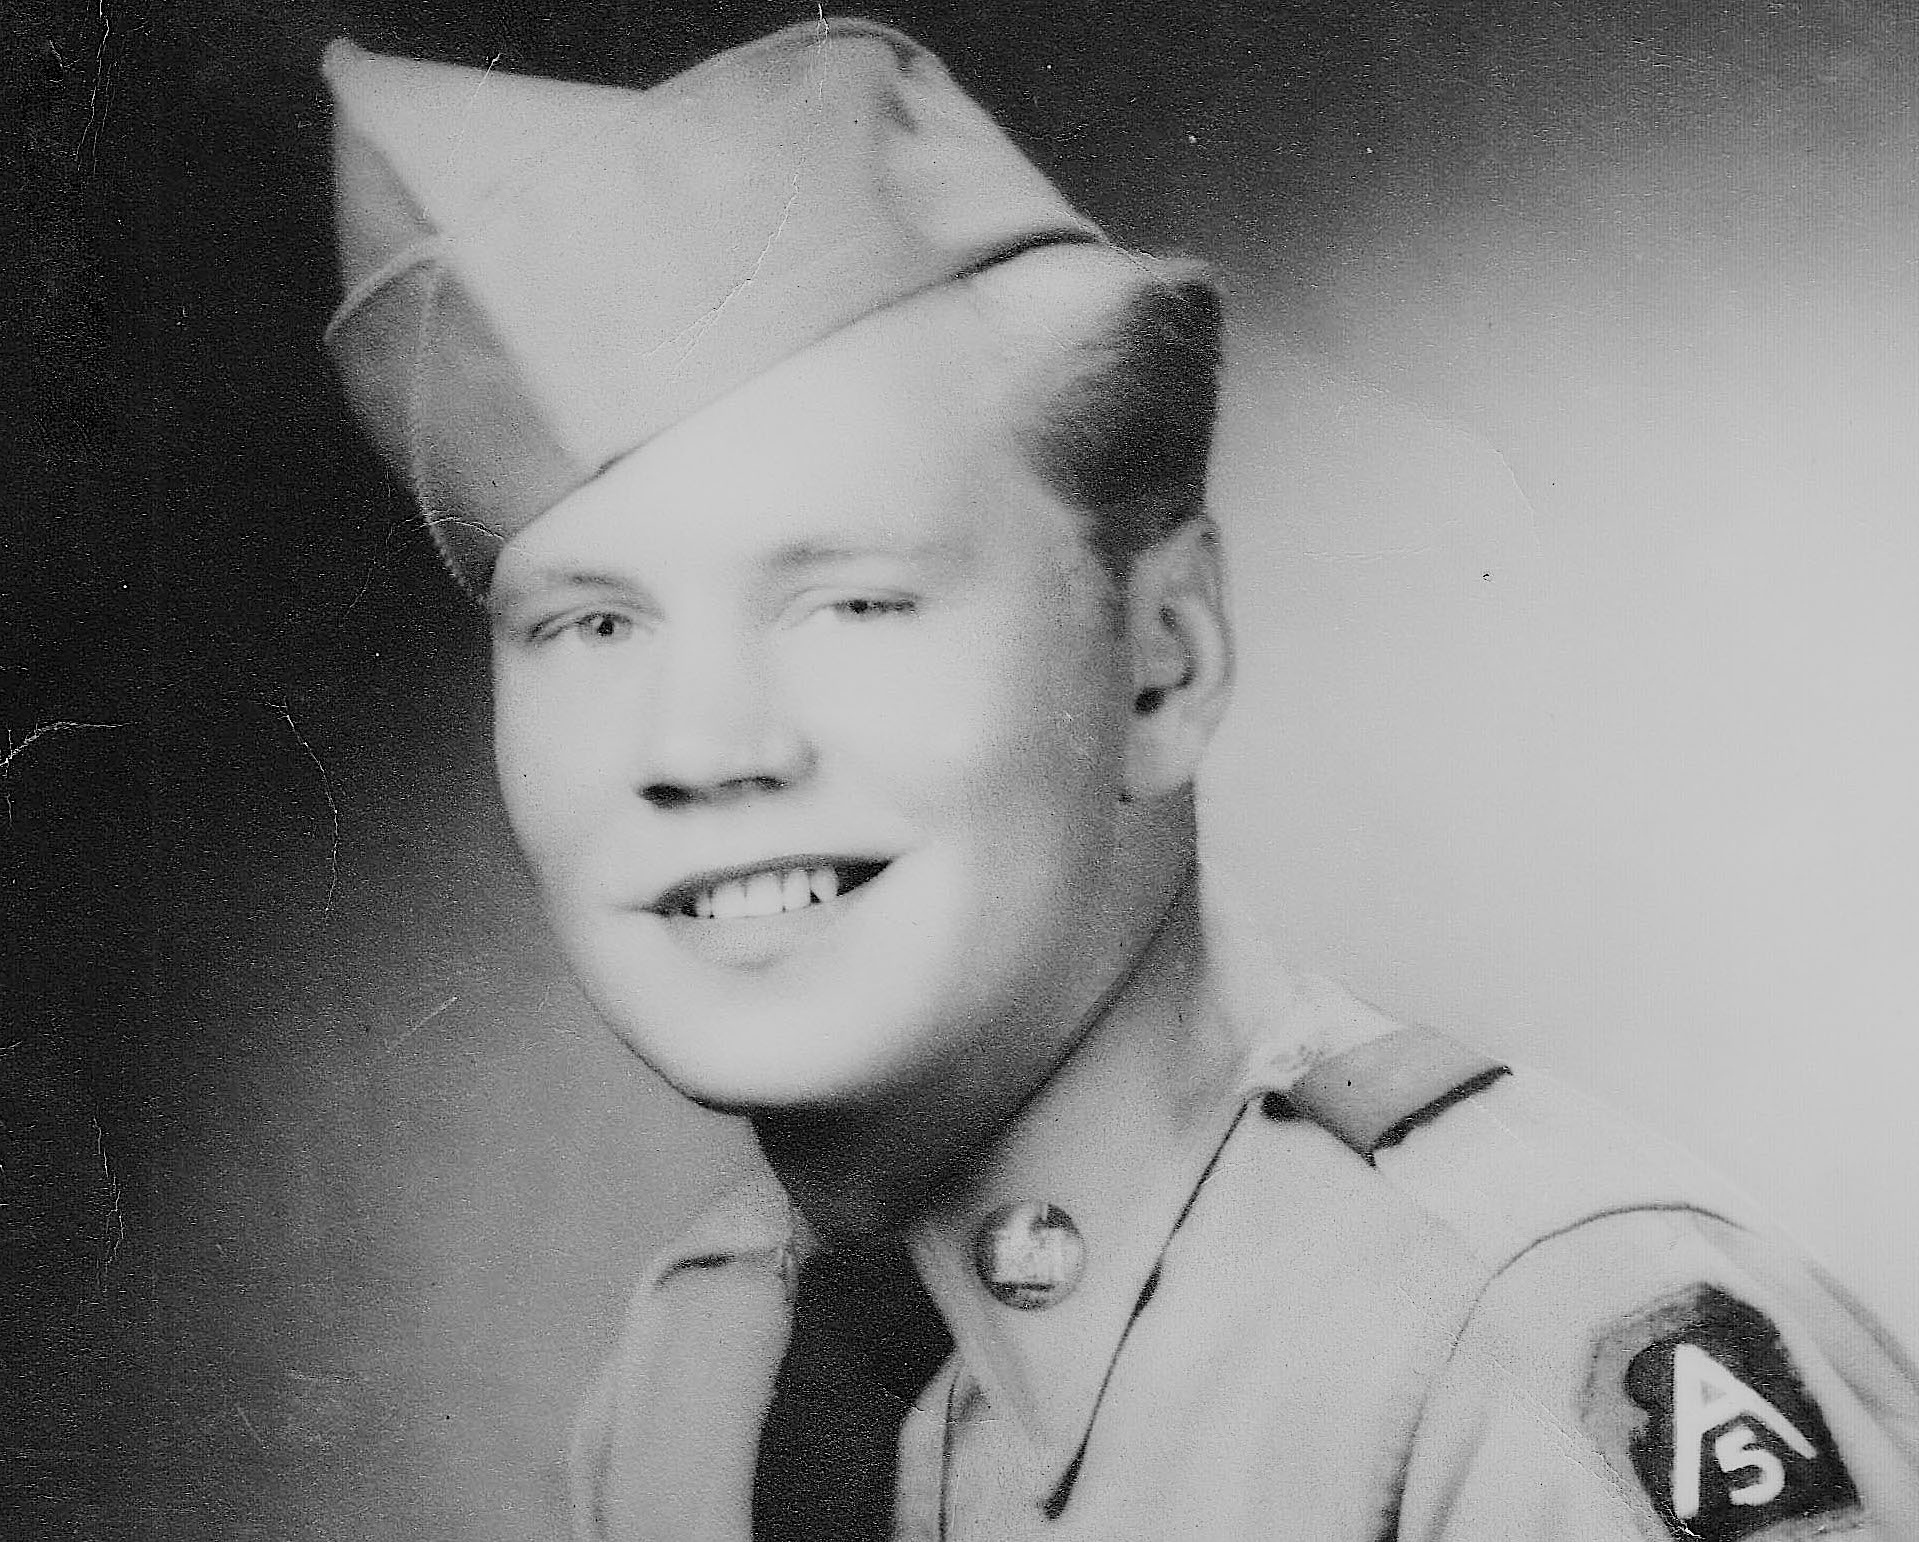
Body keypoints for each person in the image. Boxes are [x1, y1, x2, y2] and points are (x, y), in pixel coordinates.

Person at [317, 18, 1919, 1542]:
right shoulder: (696, 1372)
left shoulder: (1517, 1355)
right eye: (593, 624)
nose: (701, 746)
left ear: (1163, 660)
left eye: (855, 602)